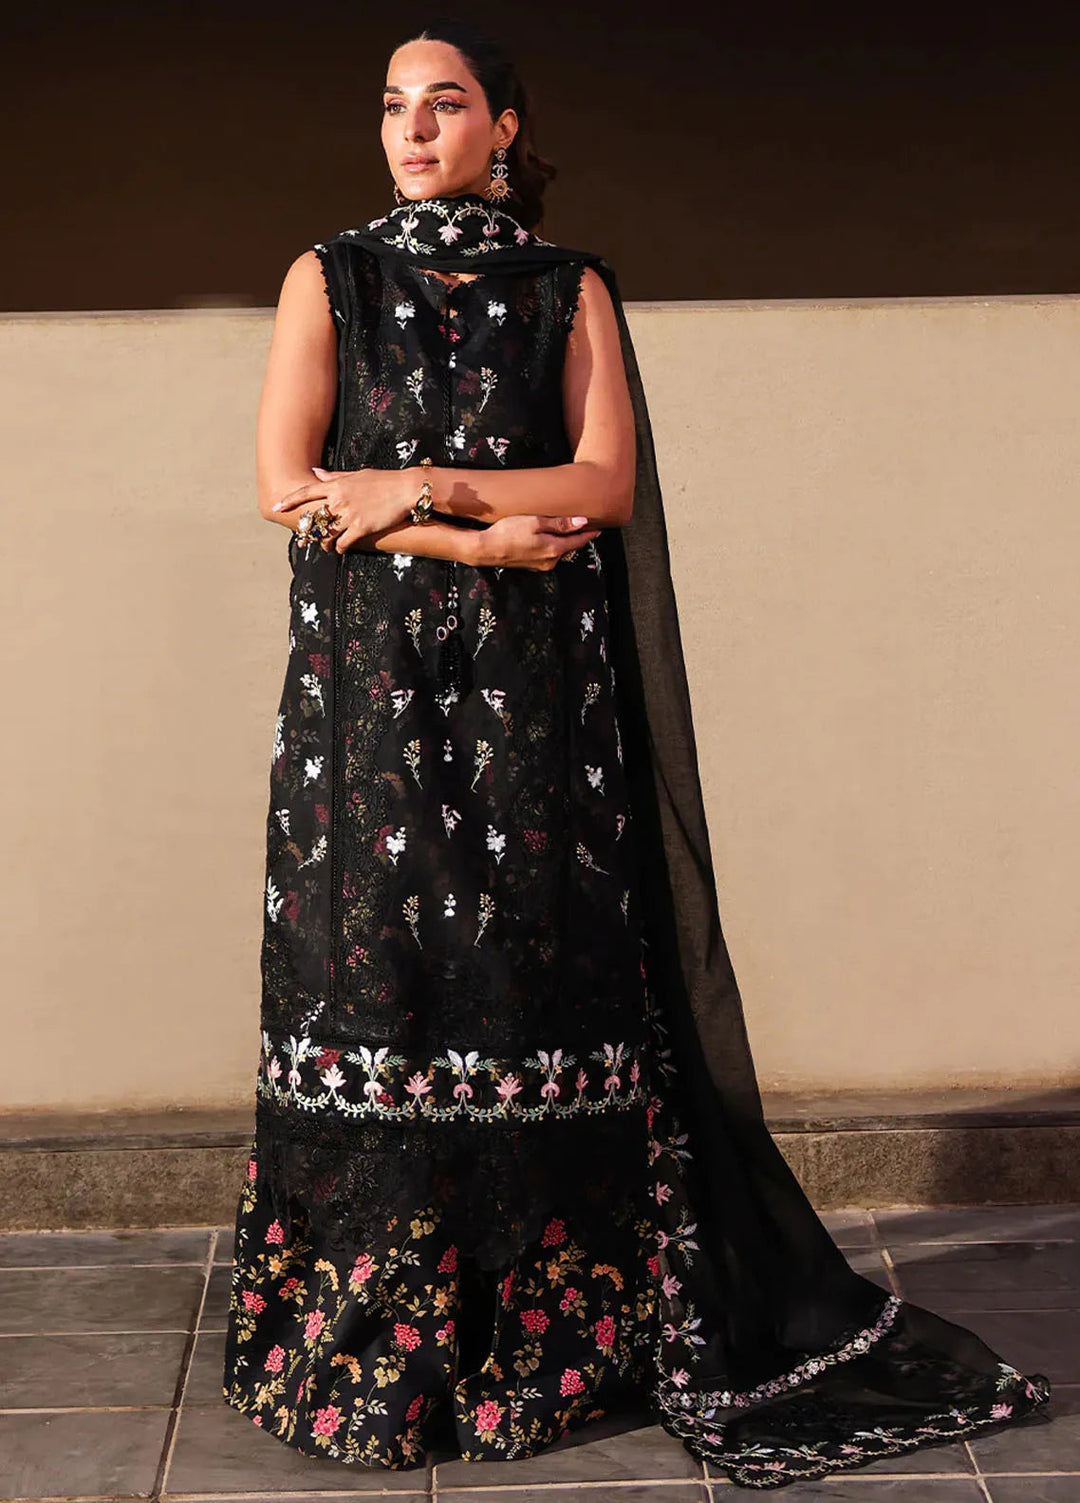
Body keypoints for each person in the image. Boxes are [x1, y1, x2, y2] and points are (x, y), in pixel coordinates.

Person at [222, 18, 1052, 1489]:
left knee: (526, 982)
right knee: (379, 986)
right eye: (395, 105)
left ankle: (543, 1342)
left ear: (505, 127)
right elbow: (290, 486)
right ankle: (371, 1342)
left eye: (446, 103)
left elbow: (601, 483)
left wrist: (415, 483)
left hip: (534, 705)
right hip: (367, 703)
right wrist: (476, 540)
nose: (414, 129)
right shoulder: (328, 278)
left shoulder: (568, 288)